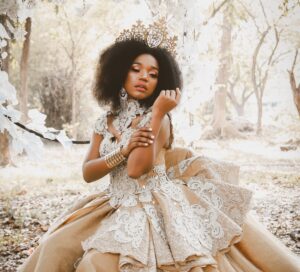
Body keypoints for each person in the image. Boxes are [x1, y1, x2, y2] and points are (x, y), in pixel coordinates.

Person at [19, 20, 300, 272]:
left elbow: (136, 170)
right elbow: (88, 173)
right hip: (113, 202)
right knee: (55, 246)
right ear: (119, 73)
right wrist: (123, 149)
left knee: (97, 263)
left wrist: (154, 115)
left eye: (153, 74)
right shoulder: (104, 121)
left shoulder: (160, 118)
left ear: (160, 82)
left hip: (155, 205)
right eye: (136, 69)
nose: (144, 77)